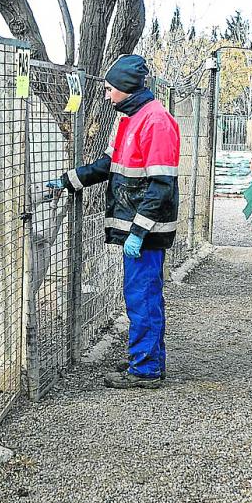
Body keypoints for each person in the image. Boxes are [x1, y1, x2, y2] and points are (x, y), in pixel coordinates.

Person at [48, 54, 180, 389]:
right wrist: (69, 180)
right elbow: (108, 165)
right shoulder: (128, 119)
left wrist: (138, 231)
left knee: (142, 297)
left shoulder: (156, 122)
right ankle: (146, 357)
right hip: (139, 228)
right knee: (141, 295)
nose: (106, 95)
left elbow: (161, 184)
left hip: (147, 231)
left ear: (125, 87)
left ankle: (146, 369)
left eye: (109, 89)